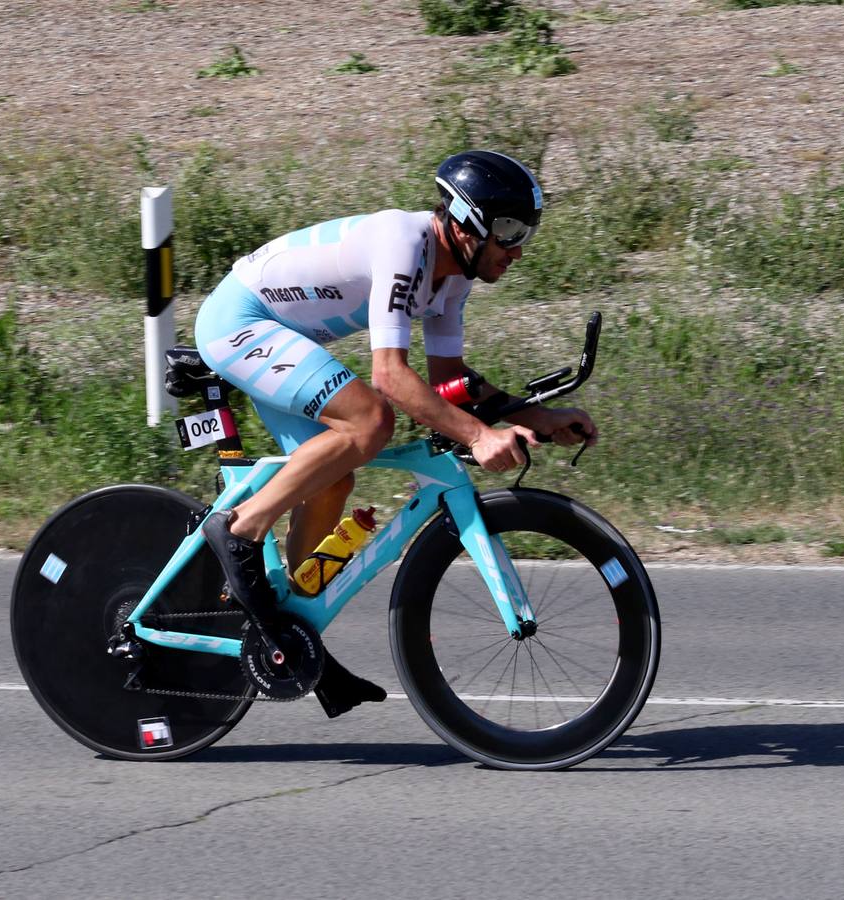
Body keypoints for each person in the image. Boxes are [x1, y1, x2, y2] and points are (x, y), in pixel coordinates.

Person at [192, 149, 597, 715]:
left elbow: (449, 383)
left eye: (525, 232)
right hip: (242, 322)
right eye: (508, 231)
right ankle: (239, 529)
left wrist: (536, 417)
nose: (518, 249)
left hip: (280, 334)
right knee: (371, 420)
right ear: (468, 221)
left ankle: (289, 627)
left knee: (334, 479)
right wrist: (479, 437)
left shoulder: (453, 281)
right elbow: (390, 376)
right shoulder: (405, 246)